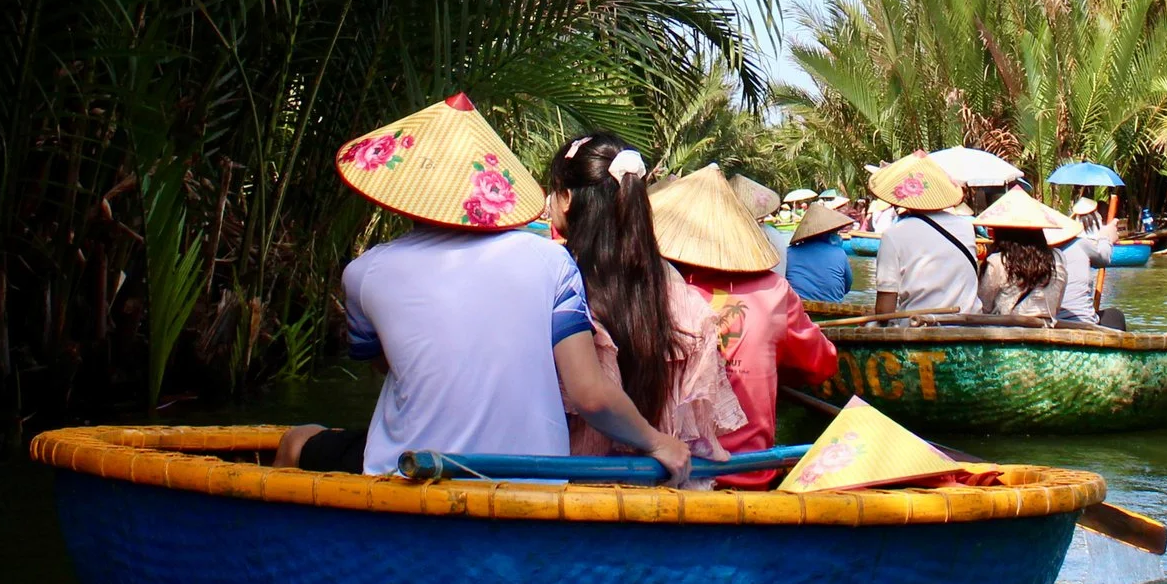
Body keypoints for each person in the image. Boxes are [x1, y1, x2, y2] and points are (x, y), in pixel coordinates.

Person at [280, 95, 694, 482]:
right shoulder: (551, 261)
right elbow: (591, 395)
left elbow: (385, 363)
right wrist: (659, 443)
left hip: (409, 473)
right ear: (488, 189)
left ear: (403, 191)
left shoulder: (364, 272)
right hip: (533, 479)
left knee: (295, 441)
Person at [544, 135, 743, 461]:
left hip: (572, 487)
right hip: (656, 489)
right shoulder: (671, 285)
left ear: (566, 198)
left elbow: (589, 396)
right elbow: (702, 438)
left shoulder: (558, 274)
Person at [651, 166, 839, 488]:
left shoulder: (652, 289)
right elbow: (822, 364)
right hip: (749, 473)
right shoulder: (774, 290)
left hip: (665, 474)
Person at [867, 153, 983, 315]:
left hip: (917, 327)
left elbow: (884, 310)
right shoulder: (966, 227)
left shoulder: (893, 235)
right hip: (968, 324)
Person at [973, 189, 1073, 317]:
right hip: (1045, 331)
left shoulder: (998, 262)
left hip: (1005, 332)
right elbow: (1057, 303)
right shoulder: (1057, 258)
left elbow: (983, 305)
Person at [780, 203, 855, 303]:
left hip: (797, 309)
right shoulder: (840, 253)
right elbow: (847, 287)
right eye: (835, 232)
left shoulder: (789, 253)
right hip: (831, 309)